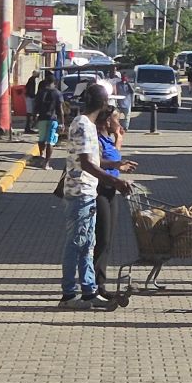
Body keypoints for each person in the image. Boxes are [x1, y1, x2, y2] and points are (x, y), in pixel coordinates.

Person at [59, 83, 132, 307]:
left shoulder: (89, 125)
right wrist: (114, 180)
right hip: (79, 192)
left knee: (88, 244)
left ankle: (90, 291)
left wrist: (117, 165)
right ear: (102, 103)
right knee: (76, 243)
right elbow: (86, 164)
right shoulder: (81, 124)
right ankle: (69, 295)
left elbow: (95, 161)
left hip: (89, 191)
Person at [91, 105, 138, 297]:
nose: (120, 122)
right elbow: (95, 161)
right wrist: (117, 165)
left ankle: (99, 282)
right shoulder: (96, 139)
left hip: (113, 189)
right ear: (108, 121)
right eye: (117, 119)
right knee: (101, 238)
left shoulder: (109, 140)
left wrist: (119, 139)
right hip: (100, 189)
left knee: (108, 238)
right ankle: (95, 284)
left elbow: (114, 157)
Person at [34, 73, 64, 168]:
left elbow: (36, 106)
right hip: (53, 120)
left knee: (41, 139)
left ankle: (41, 155)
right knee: (50, 142)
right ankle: (46, 163)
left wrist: (34, 118)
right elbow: (60, 109)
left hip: (42, 119)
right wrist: (62, 123)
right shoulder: (57, 93)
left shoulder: (40, 92)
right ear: (54, 83)